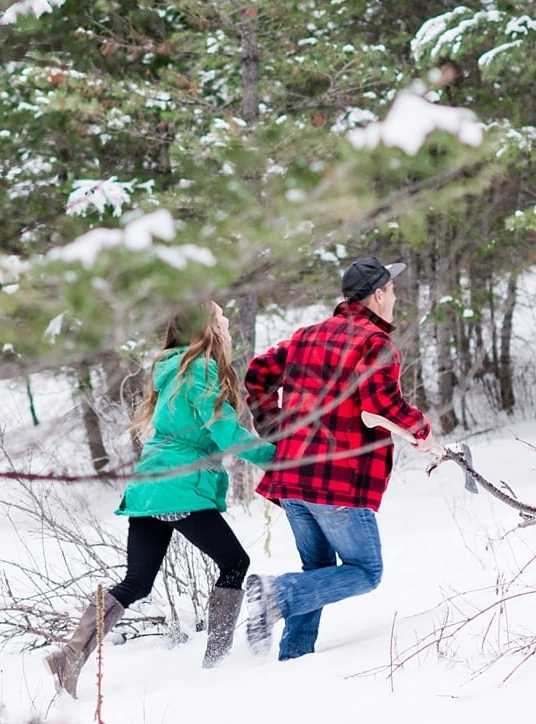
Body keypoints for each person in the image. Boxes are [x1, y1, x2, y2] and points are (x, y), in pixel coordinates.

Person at [45, 301, 276, 697]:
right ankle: (216, 663)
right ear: (208, 329)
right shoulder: (202, 370)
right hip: (179, 484)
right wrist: (278, 458)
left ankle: (70, 656)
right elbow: (224, 433)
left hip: (148, 486)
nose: (226, 321)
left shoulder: (174, 369)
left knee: (137, 581)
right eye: (220, 317)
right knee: (235, 562)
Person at [242, 256, 436, 660]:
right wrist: (419, 429)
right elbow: (381, 401)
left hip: (292, 477)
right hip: (337, 484)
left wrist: (277, 429)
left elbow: (258, 372)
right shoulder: (374, 343)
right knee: (366, 571)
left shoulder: (306, 335)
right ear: (378, 295)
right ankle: (275, 594)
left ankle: (294, 656)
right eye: (393, 290)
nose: (396, 298)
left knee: (317, 573)